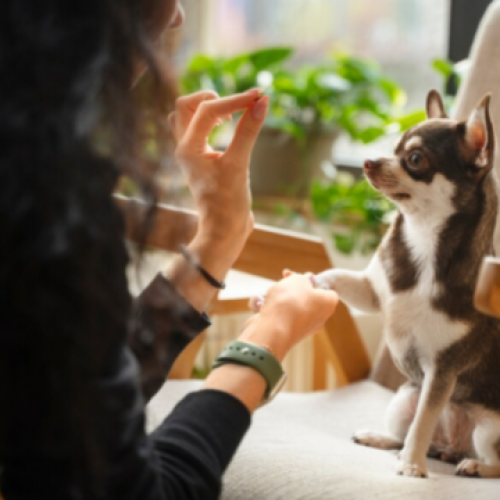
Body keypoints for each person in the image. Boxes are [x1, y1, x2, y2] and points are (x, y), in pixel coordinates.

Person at [0, 0, 339, 498]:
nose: (177, 16)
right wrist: (268, 338)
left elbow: (62, 413)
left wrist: (217, 240)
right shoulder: (42, 202)